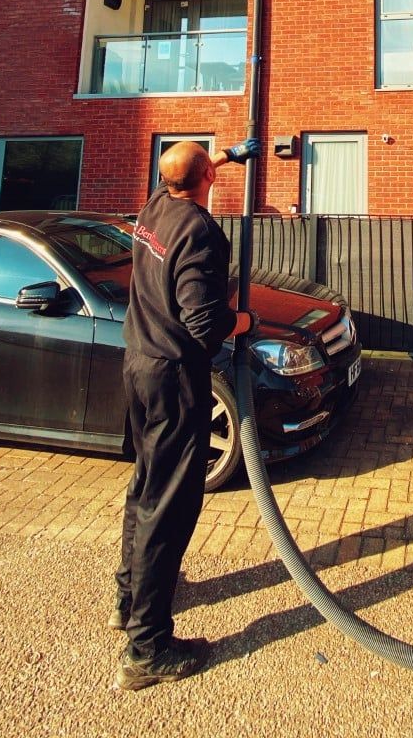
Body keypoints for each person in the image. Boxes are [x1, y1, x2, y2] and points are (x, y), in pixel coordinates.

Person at [111, 136, 260, 691]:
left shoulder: (154, 208)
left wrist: (220, 160)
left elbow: (181, 175)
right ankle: (147, 647)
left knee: (145, 485)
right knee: (169, 504)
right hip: (174, 379)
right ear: (207, 182)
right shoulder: (199, 232)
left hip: (138, 365)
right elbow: (204, 323)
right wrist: (244, 322)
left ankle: (128, 598)